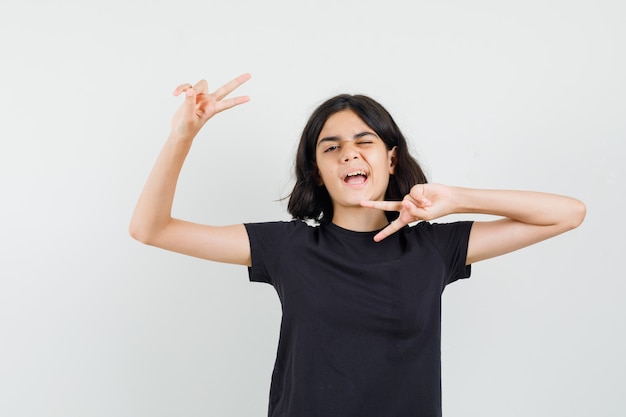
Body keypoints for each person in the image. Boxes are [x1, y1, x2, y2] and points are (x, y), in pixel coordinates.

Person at [129, 73, 586, 417]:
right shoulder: (286, 247)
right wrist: (181, 137)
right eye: (331, 147)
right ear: (317, 170)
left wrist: (459, 199)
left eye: (364, 141)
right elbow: (151, 229)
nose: (349, 153)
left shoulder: (434, 247)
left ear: (390, 156)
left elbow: (568, 213)